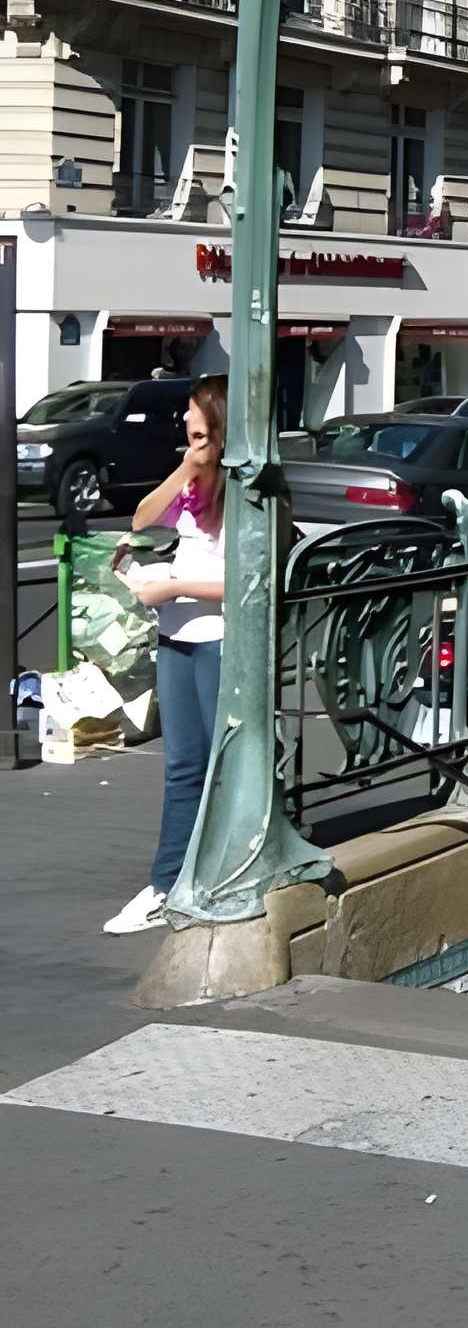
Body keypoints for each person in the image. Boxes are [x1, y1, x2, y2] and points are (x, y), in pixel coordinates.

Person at [103, 375, 228, 936]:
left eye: (193, 415)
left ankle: (201, 874)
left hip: (219, 637)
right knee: (182, 766)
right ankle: (168, 881)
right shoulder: (193, 480)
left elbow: (251, 578)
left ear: (219, 422)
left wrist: (178, 588)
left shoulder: (250, 488)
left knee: (222, 765)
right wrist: (188, 466)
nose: (184, 421)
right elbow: (140, 517)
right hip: (177, 633)